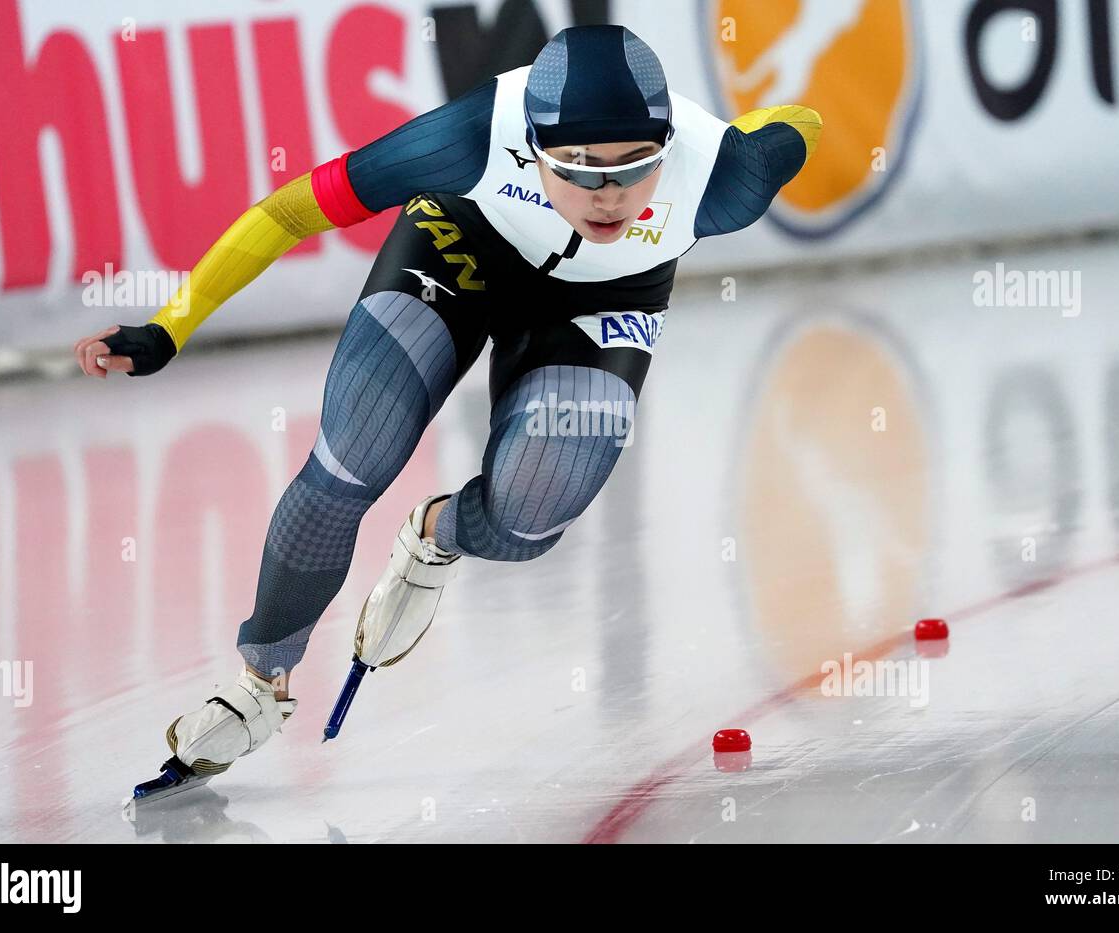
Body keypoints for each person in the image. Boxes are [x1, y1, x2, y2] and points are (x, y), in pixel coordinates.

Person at [75, 24, 821, 790]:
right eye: (579, 168)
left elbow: (799, 125)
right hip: (455, 254)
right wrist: (170, 325)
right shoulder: (470, 135)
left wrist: (744, 130)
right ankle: (260, 682)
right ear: (532, 148)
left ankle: (435, 535)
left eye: (635, 167)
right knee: (350, 458)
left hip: (601, 305)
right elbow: (287, 212)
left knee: (529, 521)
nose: (609, 195)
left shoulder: (722, 175)